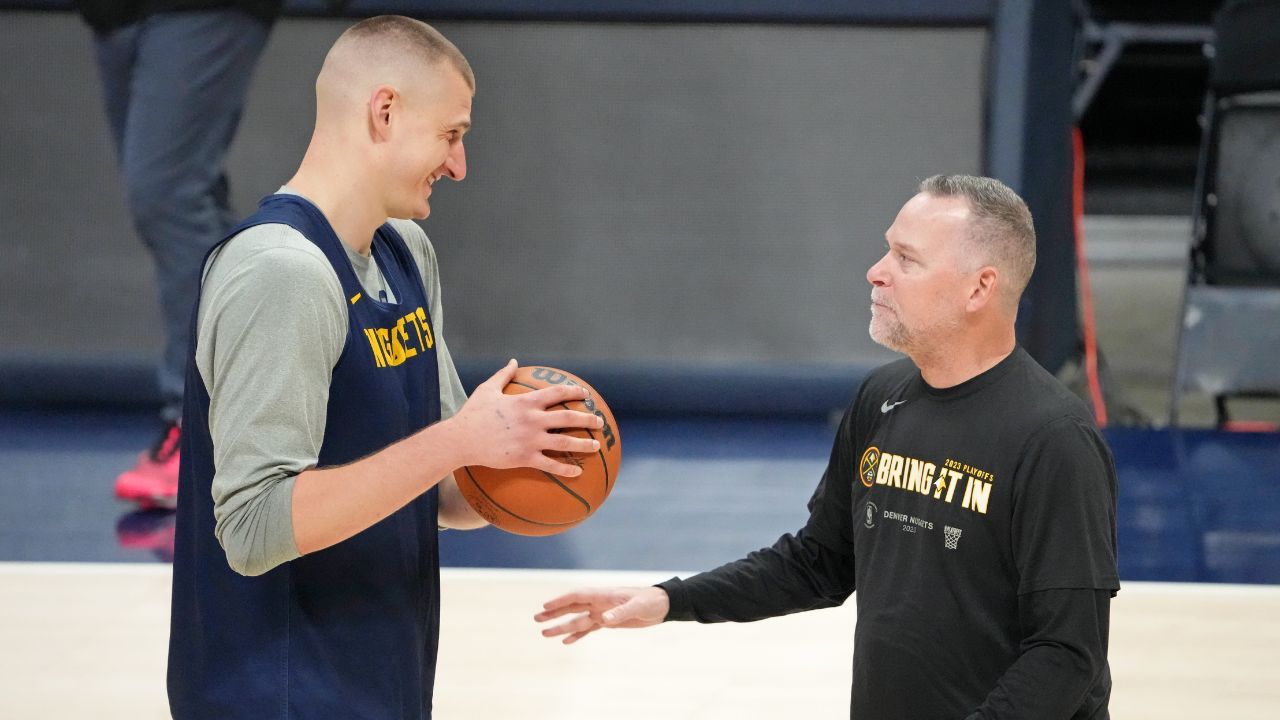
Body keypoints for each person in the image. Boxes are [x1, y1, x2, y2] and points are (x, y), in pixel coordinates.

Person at [536, 175, 1121, 719]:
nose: (876, 271)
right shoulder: (882, 398)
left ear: (979, 288)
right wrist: (668, 599)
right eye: (887, 249)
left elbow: (1067, 654)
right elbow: (818, 563)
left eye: (906, 260)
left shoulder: (1053, 439)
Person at [167, 16, 604, 718]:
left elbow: (439, 489)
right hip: (275, 695)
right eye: (452, 135)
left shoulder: (404, 253)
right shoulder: (281, 273)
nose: (458, 166)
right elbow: (252, 528)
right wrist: (461, 441)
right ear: (385, 110)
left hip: (381, 682)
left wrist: (526, 465)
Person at [74, 0, 282, 508]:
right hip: (115, 13)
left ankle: (202, 426)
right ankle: (268, 405)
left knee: (170, 196)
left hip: (199, 8)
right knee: (192, 201)